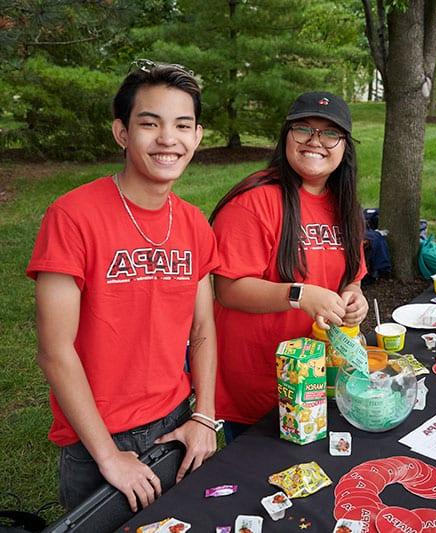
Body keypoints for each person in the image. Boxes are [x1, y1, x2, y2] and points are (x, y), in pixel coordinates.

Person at [27, 61, 219, 512]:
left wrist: (204, 416)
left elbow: (204, 328)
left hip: (176, 420)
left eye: (182, 125)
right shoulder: (72, 216)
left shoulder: (193, 224)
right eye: (149, 123)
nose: (167, 139)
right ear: (122, 132)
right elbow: (55, 350)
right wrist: (108, 455)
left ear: (197, 137)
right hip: (97, 433)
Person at [210, 92, 369, 442]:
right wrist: (298, 294)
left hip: (319, 379)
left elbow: (352, 279)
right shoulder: (252, 202)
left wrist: (355, 298)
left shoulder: (344, 206)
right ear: (286, 137)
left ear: (345, 147)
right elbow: (228, 289)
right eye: (303, 129)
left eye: (330, 133)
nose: (316, 141)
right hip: (262, 383)